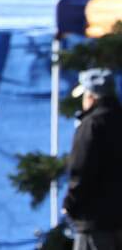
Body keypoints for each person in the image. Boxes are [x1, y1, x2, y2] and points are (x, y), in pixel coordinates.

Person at [63, 68, 122, 250]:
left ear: (91, 96)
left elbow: (80, 170)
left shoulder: (91, 125)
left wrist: (70, 204)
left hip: (95, 223)